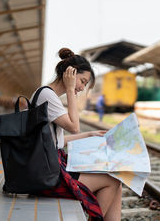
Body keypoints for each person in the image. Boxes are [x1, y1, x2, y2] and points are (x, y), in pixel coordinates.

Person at [30, 48, 122, 221]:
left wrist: (89, 135)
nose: (81, 87)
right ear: (70, 74)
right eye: (82, 81)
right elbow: (74, 127)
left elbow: (55, 141)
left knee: (117, 182)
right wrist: (71, 90)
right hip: (47, 175)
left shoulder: (46, 95)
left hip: (48, 167)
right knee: (113, 180)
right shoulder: (47, 95)